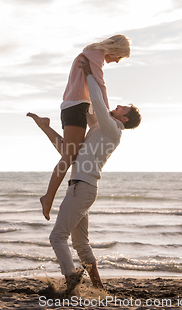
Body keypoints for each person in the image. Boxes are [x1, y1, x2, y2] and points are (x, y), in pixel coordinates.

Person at [27, 57, 141, 294]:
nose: (116, 107)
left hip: (82, 188)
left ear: (124, 119)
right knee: (80, 244)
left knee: (57, 237)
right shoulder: (99, 129)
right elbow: (70, 147)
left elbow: (97, 103)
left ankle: (71, 281)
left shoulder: (113, 130)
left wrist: (90, 73)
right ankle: (99, 288)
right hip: (82, 188)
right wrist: (46, 127)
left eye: (121, 109)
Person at [39, 35, 131, 221]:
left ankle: (44, 126)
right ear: (117, 50)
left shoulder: (89, 53)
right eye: (119, 57)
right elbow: (99, 84)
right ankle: (48, 198)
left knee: (72, 154)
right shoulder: (96, 56)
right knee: (69, 156)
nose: (117, 60)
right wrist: (105, 112)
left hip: (73, 105)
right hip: (76, 107)